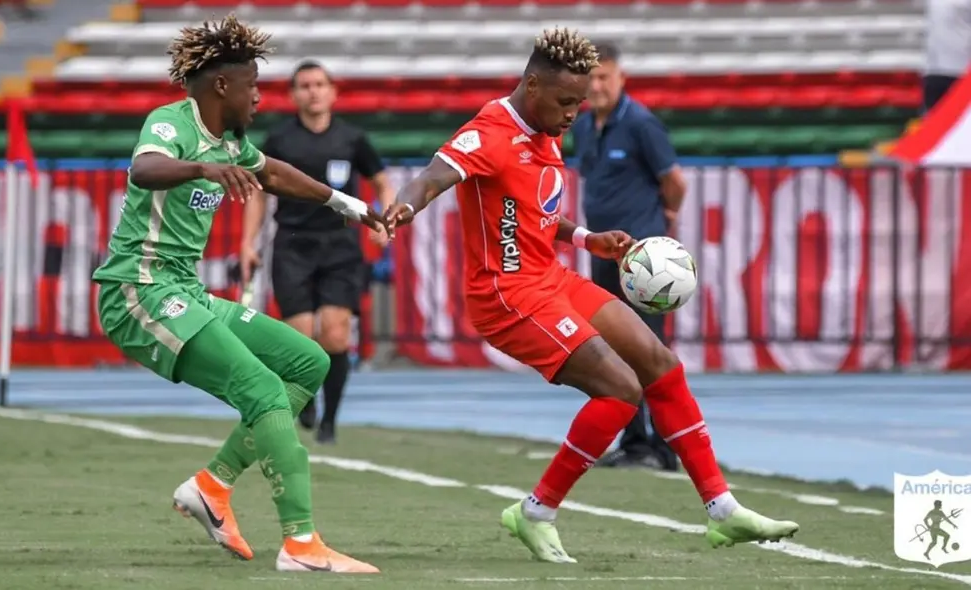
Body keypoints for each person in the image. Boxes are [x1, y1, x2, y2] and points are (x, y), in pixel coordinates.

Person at [384, 27, 799, 563]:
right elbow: (431, 178)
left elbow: (535, 215)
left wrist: (585, 239)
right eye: (566, 102)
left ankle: (723, 509)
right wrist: (404, 206)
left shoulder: (546, 124)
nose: (574, 114)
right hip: (507, 297)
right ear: (532, 85)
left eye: (579, 103)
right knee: (621, 391)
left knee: (660, 363)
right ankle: (536, 512)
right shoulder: (489, 133)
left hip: (551, 278)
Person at [91, 15, 380, 574]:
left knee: (308, 361)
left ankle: (212, 486)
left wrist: (346, 205)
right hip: (137, 289)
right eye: (253, 86)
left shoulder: (233, 143)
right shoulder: (172, 124)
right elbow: (145, 169)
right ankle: (301, 545)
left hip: (184, 290)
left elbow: (272, 173)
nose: (259, 98)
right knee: (263, 392)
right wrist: (202, 166)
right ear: (223, 86)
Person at [241, 60, 394, 444]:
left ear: (332, 91)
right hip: (293, 246)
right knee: (303, 339)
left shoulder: (352, 138)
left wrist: (383, 219)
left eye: (320, 84)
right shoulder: (279, 141)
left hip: (340, 247)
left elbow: (381, 181)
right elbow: (258, 196)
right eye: (305, 85)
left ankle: (330, 422)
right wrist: (247, 243)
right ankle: (306, 400)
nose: (313, 91)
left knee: (337, 335)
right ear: (293, 94)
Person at [572, 42, 684, 472]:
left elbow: (674, 181)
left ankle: (666, 444)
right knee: (617, 347)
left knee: (648, 350)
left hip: (643, 260)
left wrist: (664, 218)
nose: (597, 86)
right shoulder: (584, 126)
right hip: (605, 252)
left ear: (621, 78)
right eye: (591, 78)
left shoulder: (640, 124)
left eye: (605, 77)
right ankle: (635, 440)